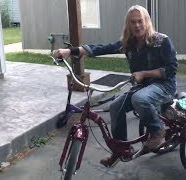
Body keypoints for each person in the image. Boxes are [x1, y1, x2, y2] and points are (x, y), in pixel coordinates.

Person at [53, 5, 178, 167]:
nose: (137, 25)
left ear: (147, 22)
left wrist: (144, 74)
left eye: (140, 21)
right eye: (133, 22)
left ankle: (157, 130)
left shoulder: (162, 40)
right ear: (129, 24)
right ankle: (121, 150)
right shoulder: (129, 43)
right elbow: (103, 48)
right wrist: (71, 51)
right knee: (115, 107)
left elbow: (172, 69)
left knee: (140, 99)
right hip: (142, 87)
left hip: (164, 86)